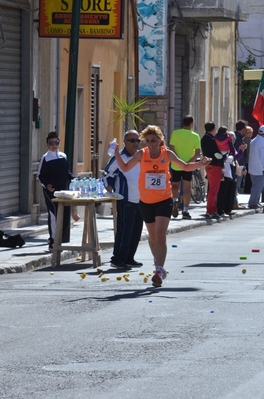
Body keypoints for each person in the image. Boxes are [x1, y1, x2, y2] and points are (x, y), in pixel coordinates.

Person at [113, 125, 211, 287]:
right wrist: (117, 153)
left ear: (160, 140)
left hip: (164, 199)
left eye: (154, 140)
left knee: (160, 235)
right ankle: (157, 259)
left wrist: (201, 163)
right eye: (148, 141)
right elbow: (124, 168)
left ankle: (159, 270)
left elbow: (185, 166)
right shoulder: (141, 154)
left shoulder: (167, 153)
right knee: (152, 237)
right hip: (145, 201)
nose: (150, 144)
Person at [103, 130, 144, 270]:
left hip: (141, 199)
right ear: (125, 142)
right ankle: (117, 258)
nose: (135, 143)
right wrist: (108, 186)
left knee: (137, 229)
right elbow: (107, 174)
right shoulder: (119, 157)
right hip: (125, 198)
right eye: (132, 140)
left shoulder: (141, 156)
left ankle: (129, 257)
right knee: (125, 229)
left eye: (137, 140)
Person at [37, 132, 75, 250]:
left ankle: (60, 239)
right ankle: (53, 240)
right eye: (51, 143)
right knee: (54, 214)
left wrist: (73, 178)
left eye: (56, 143)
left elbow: (66, 172)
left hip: (63, 190)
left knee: (64, 214)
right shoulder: (45, 158)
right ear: (47, 144)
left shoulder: (63, 156)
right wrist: (47, 185)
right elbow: (40, 176)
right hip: (51, 192)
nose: (54, 145)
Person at [169, 115, 201, 219]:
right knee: (187, 188)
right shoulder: (195, 136)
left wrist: (178, 161)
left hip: (176, 164)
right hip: (189, 166)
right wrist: (188, 163)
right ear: (191, 123)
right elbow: (197, 153)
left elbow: (171, 149)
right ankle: (185, 211)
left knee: (175, 186)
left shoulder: (175, 133)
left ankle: (175, 202)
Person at [216, 130, 246, 217]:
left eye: (233, 139)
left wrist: (241, 150)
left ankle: (228, 209)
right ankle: (221, 210)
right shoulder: (223, 147)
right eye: (230, 138)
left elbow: (236, 156)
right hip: (224, 172)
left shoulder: (231, 147)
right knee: (223, 192)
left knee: (229, 191)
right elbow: (231, 158)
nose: (232, 140)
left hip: (230, 172)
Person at [201, 121, 224, 219]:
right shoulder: (210, 139)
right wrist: (223, 157)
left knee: (213, 189)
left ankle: (212, 209)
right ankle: (210, 210)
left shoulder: (204, 138)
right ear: (213, 129)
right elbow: (216, 153)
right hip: (214, 165)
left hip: (209, 165)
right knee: (213, 190)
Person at [248, 125, 264, 209]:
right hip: (259, 169)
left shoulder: (254, 140)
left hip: (253, 167)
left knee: (256, 185)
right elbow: (262, 157)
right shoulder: (262, 142)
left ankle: (256, 201)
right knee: (257, 186)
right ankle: (253, 203)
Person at [233, 120, 248, 209]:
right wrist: (243, 168)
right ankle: (234, 202)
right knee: (236, 185)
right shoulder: (238, 139)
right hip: (238, 165)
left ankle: (234, 202)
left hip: (237, 164)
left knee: (236, 185)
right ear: (243, 128)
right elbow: (240, 155)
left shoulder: (238, 137)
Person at [243, 125, 253, 194]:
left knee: (248, 177)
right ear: (245, 133)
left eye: (251, 132)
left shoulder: (252, 141)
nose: (250, 134)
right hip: (246, 161)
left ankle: (247, 189)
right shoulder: (244, 140)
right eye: (248, 132)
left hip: (249, 161)